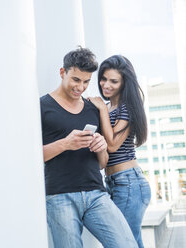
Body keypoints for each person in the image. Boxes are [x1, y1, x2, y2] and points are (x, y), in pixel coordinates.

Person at [40, 47, 138, 248]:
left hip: (96, 195)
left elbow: (102, 164)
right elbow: (31, 157)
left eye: (86, 82)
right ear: (62, 72)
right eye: (76, 80)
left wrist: (101, 147)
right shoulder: (42, 107)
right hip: (60, 197)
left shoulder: (92, 108)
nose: (81, 87)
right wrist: (66, 144)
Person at [88, 55, 151, 248]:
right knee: (129, 240)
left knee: (123, 240)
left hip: (129, 182)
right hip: (113, 182)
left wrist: (101, 110)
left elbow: (113, 144)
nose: (106, 85)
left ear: (124, 83)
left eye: (114, 81)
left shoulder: (127, 107)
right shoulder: (108, 107)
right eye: (104, 78)